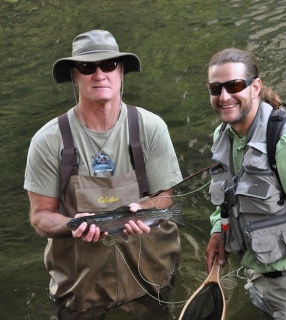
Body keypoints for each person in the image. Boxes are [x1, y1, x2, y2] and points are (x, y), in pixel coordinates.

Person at [24, 30, 183, 320]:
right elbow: (40, 216)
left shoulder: (151, 127)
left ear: (121, 71)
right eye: (87, 67)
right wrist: (72, 224)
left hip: (150, 281)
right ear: (75, 76)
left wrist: (143, 210)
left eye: (108, 65)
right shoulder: (47, 140)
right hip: (81, 292)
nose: (99, 74)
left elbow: (165, 198)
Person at [205, 48, 286, 319]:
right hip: (259, 278)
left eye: (234, 85)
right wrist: (217, 230)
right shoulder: (224, 134)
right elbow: (228, 196)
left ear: (255, 87)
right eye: (215, 88)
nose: (224, 96)